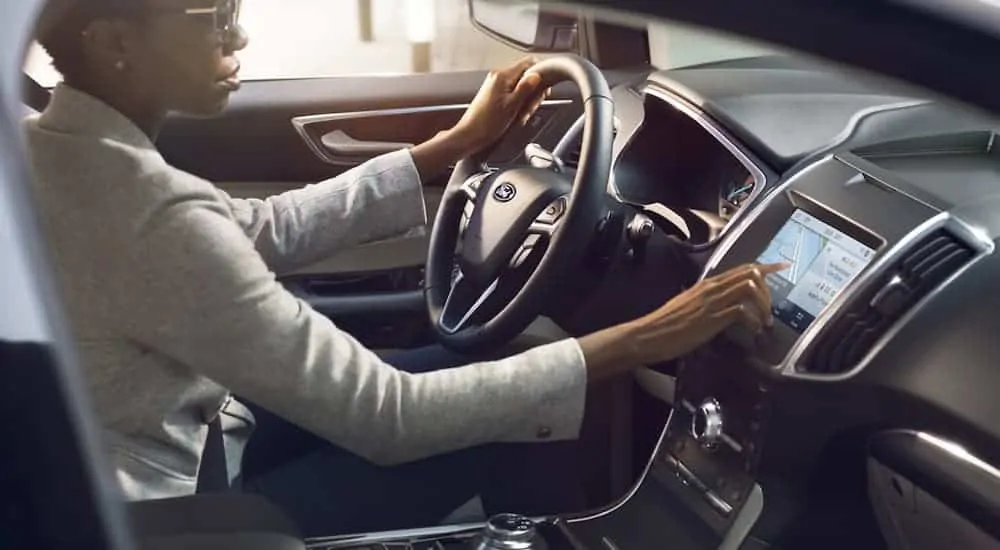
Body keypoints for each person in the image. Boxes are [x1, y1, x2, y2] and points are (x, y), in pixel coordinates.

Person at [24, 0, 784, 537]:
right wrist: (645, 337)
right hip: (178, 509)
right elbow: (390, 419)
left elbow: (257, 228)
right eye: (215, 13)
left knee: (498, 360)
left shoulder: (58, 154)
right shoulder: (142, 207)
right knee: (518, 424)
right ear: (114, 42)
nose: (242, 29)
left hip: (163, 439)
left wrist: (443, 150)